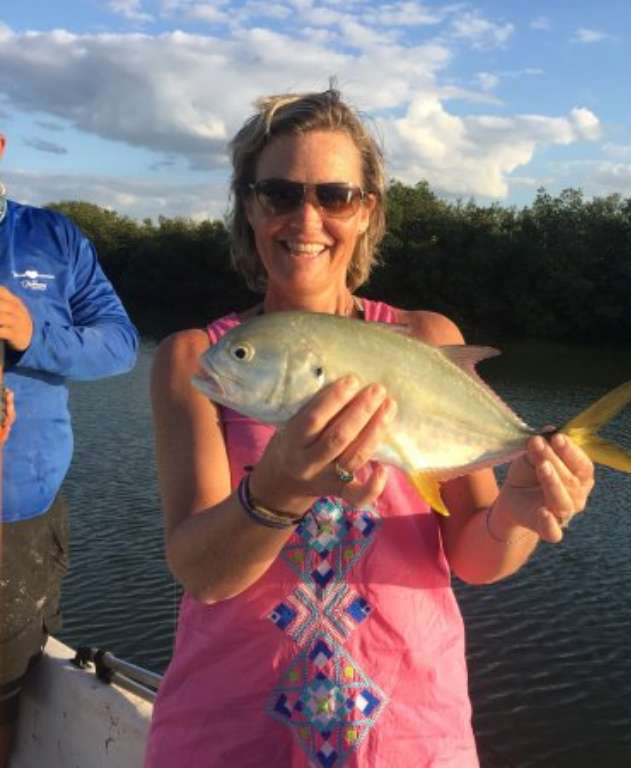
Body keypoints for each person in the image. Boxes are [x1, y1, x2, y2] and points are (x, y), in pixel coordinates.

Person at [146, 88, 595, 767]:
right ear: (248, 206)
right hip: (230, 734)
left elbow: (475, 556)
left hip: (406, 735)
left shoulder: (427, 338)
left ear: (366, 213)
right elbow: (202, 573)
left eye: (335, 195)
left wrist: (520, 512)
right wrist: (277, 490)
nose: (307, 217)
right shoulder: (197, 361)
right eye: (278, 193)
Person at [0, 132, 139, 767]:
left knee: (3, 690)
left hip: (19, 520)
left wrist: (34, 333)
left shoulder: (54, 239)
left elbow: (119, 344)